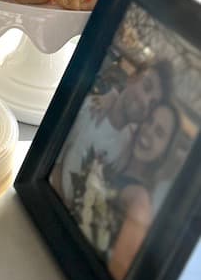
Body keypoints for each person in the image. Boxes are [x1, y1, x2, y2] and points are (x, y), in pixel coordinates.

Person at [51, 60, 172, 206]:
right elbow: (54, 161)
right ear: (132, 78)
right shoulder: (89, 108)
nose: (145, 102)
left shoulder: (131, 146)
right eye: (146, 87)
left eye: (152, 103)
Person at [107, 101, 180, 280]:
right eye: (149, 121)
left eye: (159, 133)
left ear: (164, 153)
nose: (148, 131)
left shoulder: (139, 202)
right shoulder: (118, 159)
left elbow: (118, 272)